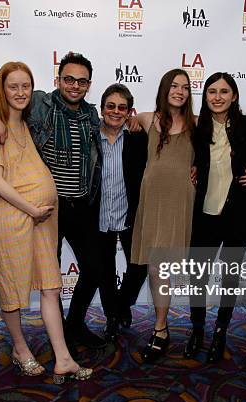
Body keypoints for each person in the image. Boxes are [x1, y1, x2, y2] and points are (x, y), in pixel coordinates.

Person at [0, 53, 108, 350]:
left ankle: (73, 326)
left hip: (81, 205)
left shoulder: (92, 116)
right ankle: (59, 340)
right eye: (69, 79)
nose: (75, 86)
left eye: (82, 81)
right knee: (50, 280)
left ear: (89, 85)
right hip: (47, 212)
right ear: (58, 80)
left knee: (94, 268)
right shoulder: (40, 105)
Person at [185, 72, 246, 362]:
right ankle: (198, 330)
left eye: (224, 91)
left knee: (230, 277)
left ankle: (220, 332)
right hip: (204, 215)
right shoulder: (196, 127)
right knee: (197, 277)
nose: (217, 97)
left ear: (234, 96)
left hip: (238, 214)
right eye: (212, 91)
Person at [130, 69, 197, 362]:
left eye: (184, 87)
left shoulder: (197, 123)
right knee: (156, 269)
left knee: (166, 268)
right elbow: (120, 123)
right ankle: (161, 327)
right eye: (174, 85)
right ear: (164, 88)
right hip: (153, 200)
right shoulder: (147, 119)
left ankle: (163, 328)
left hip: (180, 202)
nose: (179, 91)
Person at [95, 84, 148, 341]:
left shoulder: (139, 138)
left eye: (122, 107)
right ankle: (111, 317)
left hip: (131, 217)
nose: (116, 112)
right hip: (99, 216)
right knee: (104, 272)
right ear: (102, 108)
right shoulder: (91, 136)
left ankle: (121, 306)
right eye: (111, 106)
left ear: (129, 112)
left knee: (139, 266)